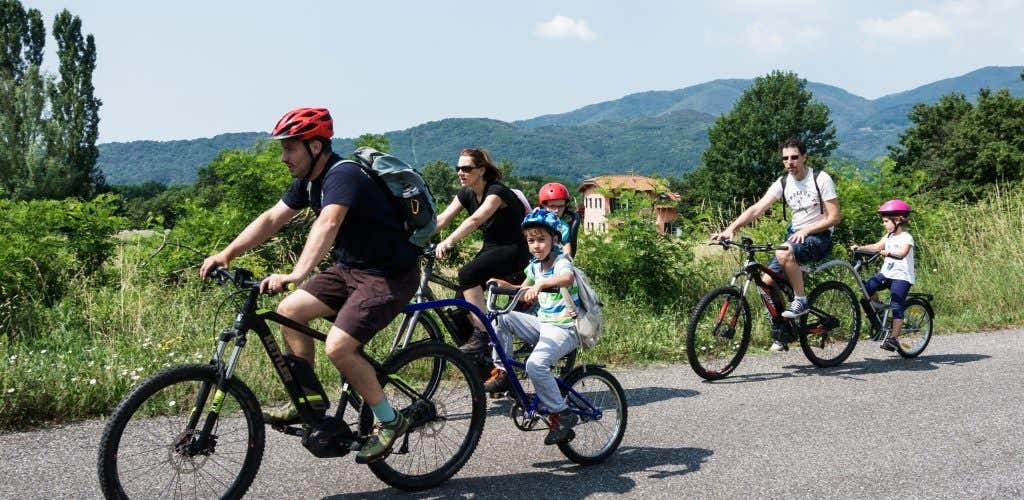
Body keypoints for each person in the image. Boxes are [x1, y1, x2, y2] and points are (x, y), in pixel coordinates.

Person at [199, 107, 419, 464]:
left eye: (290, 149)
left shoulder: (342, 175)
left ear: (315, 147)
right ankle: (310, 397)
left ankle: (390, 421)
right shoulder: (308, 181)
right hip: (349, 269)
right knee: (290, 312)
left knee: (339, 347)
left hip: (388, 275)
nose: (284, 157)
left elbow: (328, 224)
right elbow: (272, 218)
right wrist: (227, 254)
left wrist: (296, 273)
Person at [711, 137, 841, 352]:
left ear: (804, 157)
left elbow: (834, 217)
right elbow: (757, 208)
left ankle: (801, 299)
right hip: (795, 236)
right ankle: (783, 330)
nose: (790, 162)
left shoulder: (821, 179)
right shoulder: (783, 182)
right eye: (785, 158)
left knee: (784, 252)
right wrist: (731, 229)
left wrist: (807, 230)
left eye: (794, 157)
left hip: (819, 237)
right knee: (766, 282)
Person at [485, 208, 580, 445]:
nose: (536, 245)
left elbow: (567, 278)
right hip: (544, 323)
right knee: (500, 317)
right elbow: (524, 288)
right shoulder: (535, 266)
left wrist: (543, 284)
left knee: (535, 365)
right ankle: (503, 372)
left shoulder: (561, 261)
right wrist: (503, 284)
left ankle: (562, 413)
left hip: (565, 328)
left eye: (541, 239)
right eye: (531, 240)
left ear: (554, 239)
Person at [434, 147, 530, 354]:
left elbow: (476, 219)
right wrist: (411, 238)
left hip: (513, 250)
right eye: (458, 168)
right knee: (459, 303)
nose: (461, 172)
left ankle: (484, 333)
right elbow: (442, 219)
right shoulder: (466, 193)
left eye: (467, 168)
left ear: (481, 170)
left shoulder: (497, 192)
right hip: (491, 249)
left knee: (467, 273)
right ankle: (480, 358)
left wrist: (449, 241)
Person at [850, 199, 916, 351]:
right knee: (866, 289)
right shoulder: (888, 236)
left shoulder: (906, 237)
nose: (884, 224)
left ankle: (893, 338)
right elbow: (875, 247)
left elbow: (903, 253)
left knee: (896, 304)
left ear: (898, 219)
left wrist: (890, 253)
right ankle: (879, 311)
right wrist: (860, 248)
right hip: (887, 273)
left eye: (886, 221)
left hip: (902, 276)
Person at [537, 182, 581, 258]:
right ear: (543, 206)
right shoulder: (535, 222)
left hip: (556, 261)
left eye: (561, 206)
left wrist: (567, 261)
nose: (557, 210)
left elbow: (566, 246)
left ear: (565, 207)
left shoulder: (563, 227)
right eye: (552, 206)